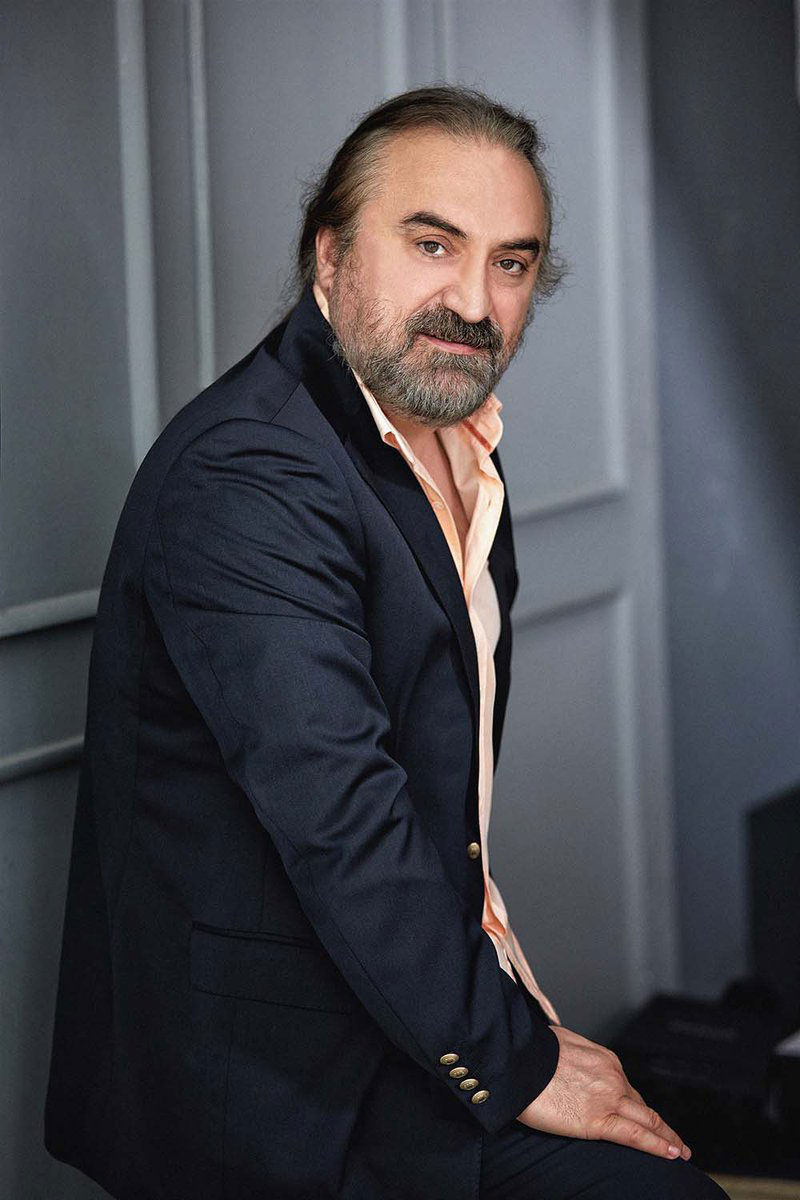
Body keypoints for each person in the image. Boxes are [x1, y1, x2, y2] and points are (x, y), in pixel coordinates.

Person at [45, 85, 727, 1200]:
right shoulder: (250, 472)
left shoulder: (454, 446)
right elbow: (343, 821)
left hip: (410, 1021)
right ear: (329, 256)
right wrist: (513, 1059)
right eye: (431, 244)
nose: (474, 302)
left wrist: (507, 1006)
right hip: (281, 1101)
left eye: (511, 263)